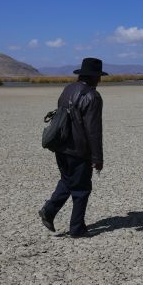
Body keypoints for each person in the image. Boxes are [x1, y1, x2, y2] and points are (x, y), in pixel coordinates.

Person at [39, 57, 107, 238]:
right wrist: (97, 158)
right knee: (82, 189)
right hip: (79, 150)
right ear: (94, 77)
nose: (100, 80)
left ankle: (49, 211)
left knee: (67, 180)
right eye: (99, 76)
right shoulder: (93, 96)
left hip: (61, 145)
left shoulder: (68, 89)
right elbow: (94, 131)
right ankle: (77, 229)